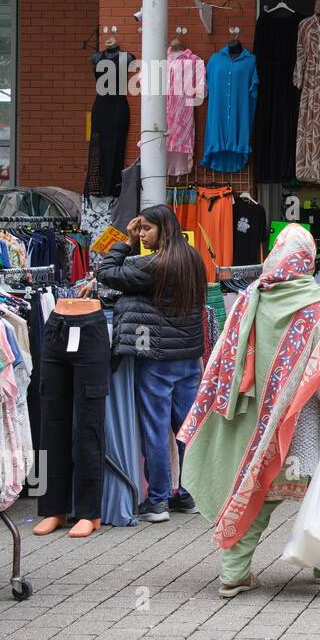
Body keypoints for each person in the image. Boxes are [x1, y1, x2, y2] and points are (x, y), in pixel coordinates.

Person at [177, 223, 320, 598]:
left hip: (262, 424)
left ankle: (234, 572)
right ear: (307, 260)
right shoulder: (318, 304)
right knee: (315, 489)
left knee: (260, 493)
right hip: (305, 423)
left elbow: (228, 356)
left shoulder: (252, 297)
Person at [90, 205, 205, 523]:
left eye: (146, 229)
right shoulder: (192, 258)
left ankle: (157, 502)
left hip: (157, 359)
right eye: (138, 229)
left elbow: (107, 273)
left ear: (163, 230)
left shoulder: (155, 264)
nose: (141, 234)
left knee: (155, 430)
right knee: (186, 429)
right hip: (188, 357)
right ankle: (189, 492)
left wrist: (124, 242)